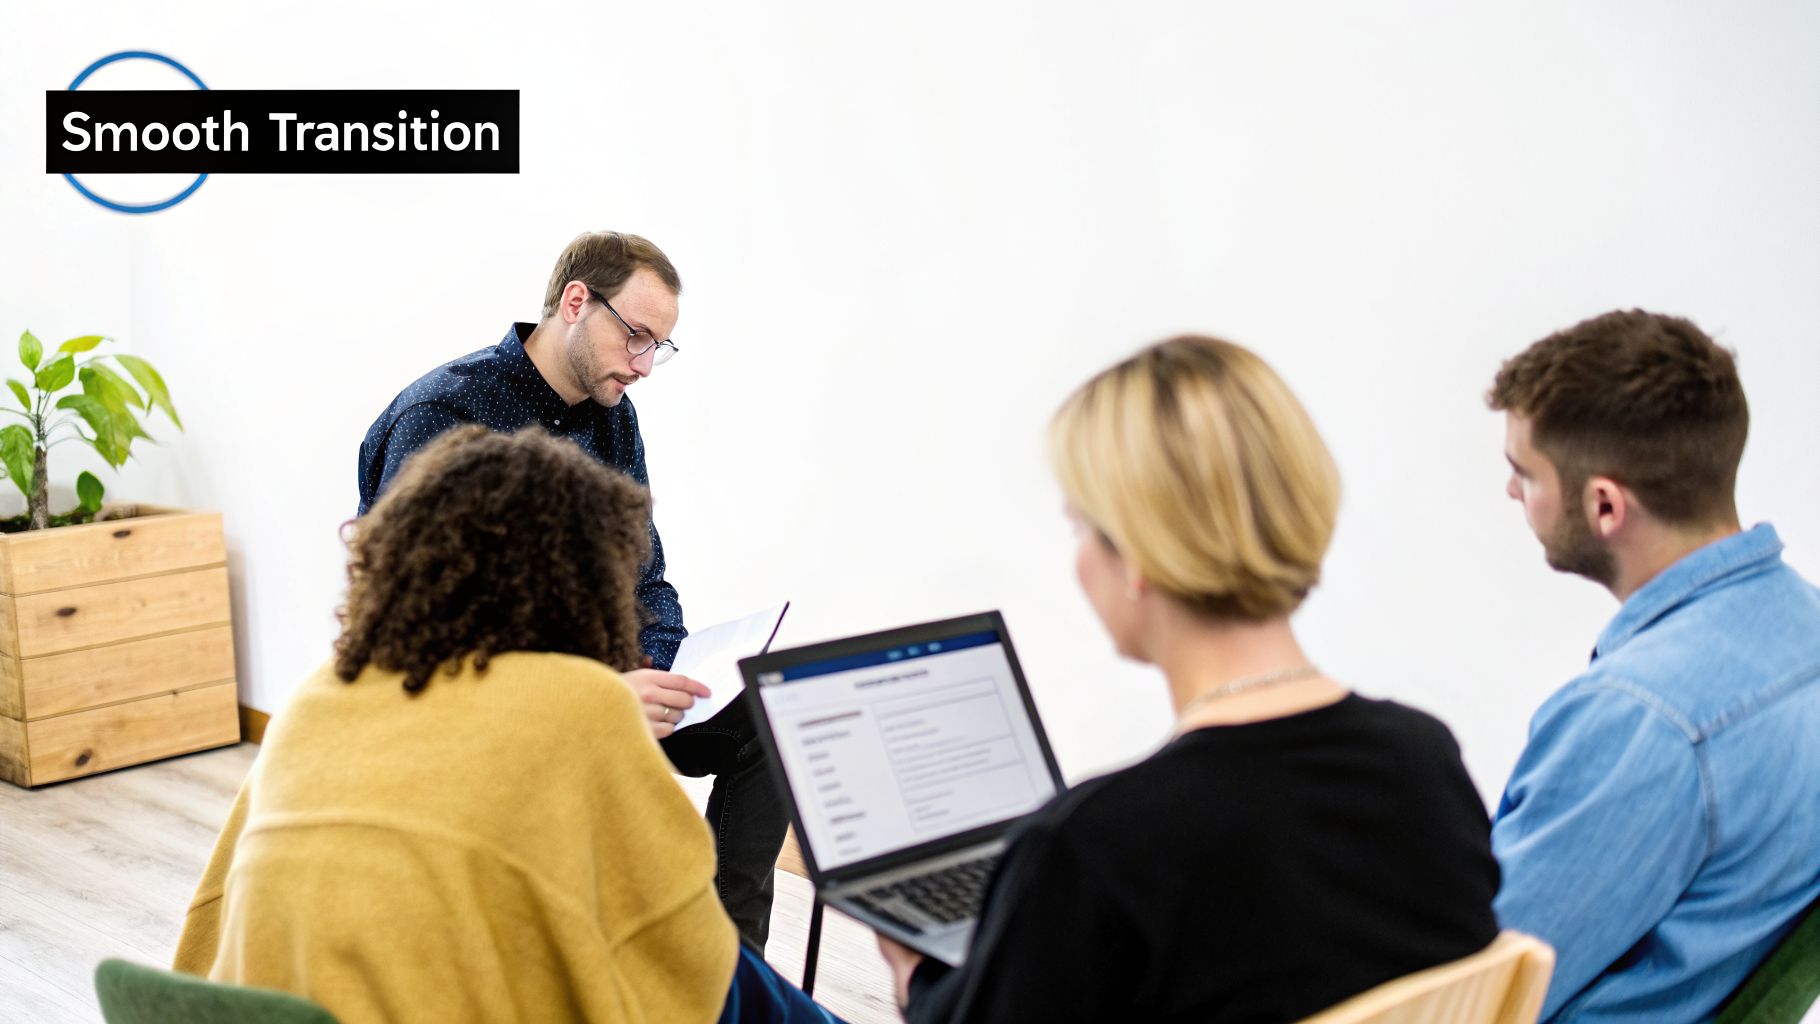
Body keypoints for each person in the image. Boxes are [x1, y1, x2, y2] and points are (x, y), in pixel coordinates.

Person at [877, 335, 1502, 1022]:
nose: (1078, 560)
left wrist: (920, 986)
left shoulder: (1093, 847)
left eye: (1080, 526)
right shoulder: (1424, 760)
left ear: (1138, 553)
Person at [175, 426, 835, 1023]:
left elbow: (210, 923)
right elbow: (688, 950)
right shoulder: (577, 702)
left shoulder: (317, 698)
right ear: (580, 587)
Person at [355, 231, 786, 947]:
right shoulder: (443, 416)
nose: (645, 366)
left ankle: (730, 965)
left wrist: (659, 665)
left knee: (768, 718)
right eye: (637, 337)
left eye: (659, 348)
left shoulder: (612, 415)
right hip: (478, 711)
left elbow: (644, 573)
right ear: (576, 302)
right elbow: (419, 637)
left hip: (606, 686)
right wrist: (596, 697)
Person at [1487, 310, 1820, 1023]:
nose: (1512, 492)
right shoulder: (1809, 634)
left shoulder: (1640, 718)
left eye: (1525, 473)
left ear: (1604, 505)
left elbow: (1471, 996)